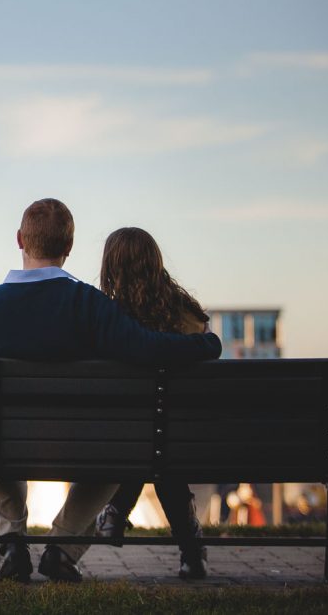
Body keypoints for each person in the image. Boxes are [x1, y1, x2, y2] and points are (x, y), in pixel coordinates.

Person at [0, 199, 222, 583]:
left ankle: (13, 540)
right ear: (69, 247)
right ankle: (62, 547)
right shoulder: (89, 306)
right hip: (83, 445)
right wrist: (206, 345)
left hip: (8, 445)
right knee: (120, 450)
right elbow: (149, 349)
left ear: (20, 240)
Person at [92, 226, 210, 579]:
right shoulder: (189, 318)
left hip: (123, 443)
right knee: (161, 450)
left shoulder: (107, 321)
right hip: (190, 442)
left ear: (110, 269)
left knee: (149, 444)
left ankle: (115, 509)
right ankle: (191, 551)